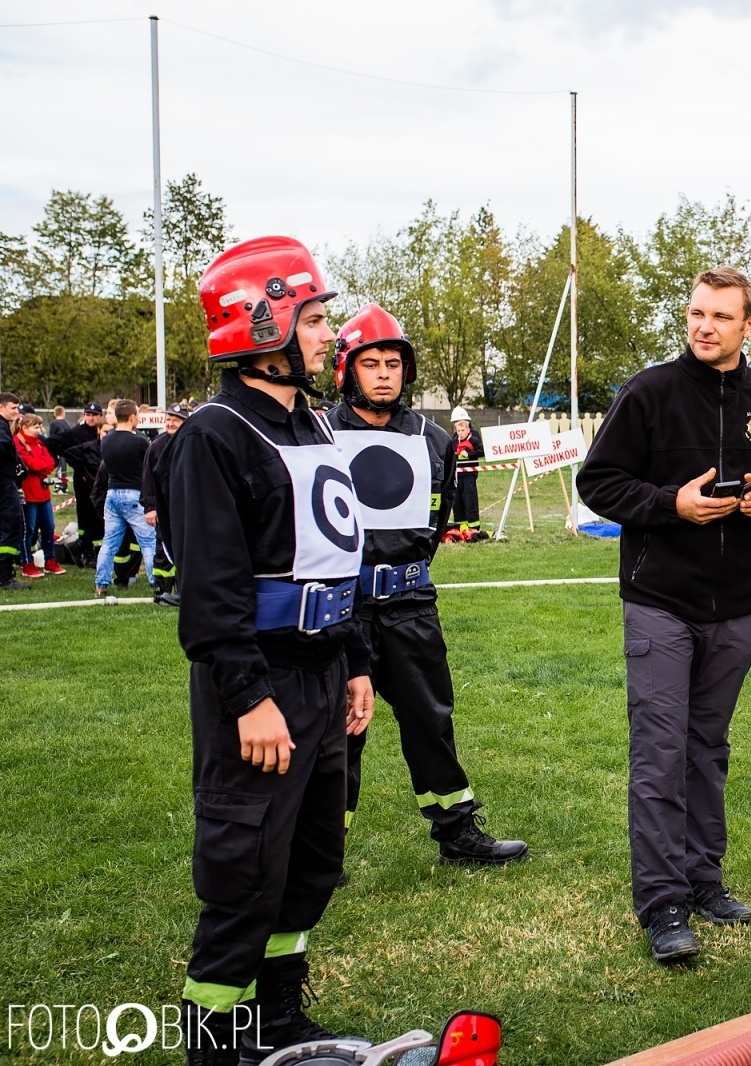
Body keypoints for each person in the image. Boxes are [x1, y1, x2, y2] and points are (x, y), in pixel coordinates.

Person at [155, 235, 374, 1065]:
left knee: (311, 865)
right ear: (264, 324)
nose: (329, 335)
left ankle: (279, 1022)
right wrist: (250, 698)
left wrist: (354, 662)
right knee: (244, 876)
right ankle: (219, 1045)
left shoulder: (311, 421)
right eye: (315, 319)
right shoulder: (212, 436)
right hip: (262, 683)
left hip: (323, 675)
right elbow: (211, 592)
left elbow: (333, 553)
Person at [576, 266, 751, 963]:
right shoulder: (648, 392)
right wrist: (669, 505)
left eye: (720, 316)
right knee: (660, 752)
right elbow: (598, 482)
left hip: (738, 606)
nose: (704, 326)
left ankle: (704, 880)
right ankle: (663, 903)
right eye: (696, 314)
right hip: (659, 602)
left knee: (708, 748)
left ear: (749, 325)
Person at [328, 303, 527, 866]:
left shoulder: (435, 440)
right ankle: (322, 849)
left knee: (430, 719)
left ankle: (457, 833)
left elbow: (434, 525)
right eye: (372, 363)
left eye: (394, 362)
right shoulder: (317, 434)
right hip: (343, 608)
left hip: (412, 604)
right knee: (338, 730)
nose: (385, 373)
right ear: (349, 371)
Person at [93, 400, 161, 597]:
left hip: (112, 494)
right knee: (148, 542)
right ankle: (156, 582)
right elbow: (148, 467)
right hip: (134, 495)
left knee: (109, 543)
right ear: (132, 417)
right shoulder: (139, 441)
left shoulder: (106, 440)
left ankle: (101, 584)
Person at [142, 404, 190, 606]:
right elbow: (147, 479)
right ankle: (162, 590)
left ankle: (183, 590)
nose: (170, 423)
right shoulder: (157, 445)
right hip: (164, 507)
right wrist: (150, 507)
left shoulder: (191, 442)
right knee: (163, 549)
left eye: (175, 420)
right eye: (168, 419)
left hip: (187, 506)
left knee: (185, 549)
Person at [47, 401, 106, 552]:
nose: (91, 418)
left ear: (100, 416)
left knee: (99, 515)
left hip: (101, 480)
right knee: (85, 513)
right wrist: (80, 466)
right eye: (88, 415)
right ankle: (84, 546)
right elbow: (52, 443)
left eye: (94, 415)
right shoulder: (76, 432)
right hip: (83, 480)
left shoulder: (103, 431)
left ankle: (99, 547)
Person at [13, 413, 65, 577]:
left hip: (43, 493)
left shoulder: (39, 442)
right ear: (24, 428)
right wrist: (40, 467)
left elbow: (50, 462)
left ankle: (50, 560)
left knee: (49, 527)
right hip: (28, 494)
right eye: (35, 427)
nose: (38, 430)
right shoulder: (17, 443)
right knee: (28, 530)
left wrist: (41, 467)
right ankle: (27, 564)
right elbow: (30, 464)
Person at [0, 392, 27, 590]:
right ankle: (4, 577)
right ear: (1, 408)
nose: (17, 413)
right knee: (11, 525)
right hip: (3, 483)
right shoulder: (1, 427)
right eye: (13, 408)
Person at [449, 407, 484, 539]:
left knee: (470, 499)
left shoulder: (473, 435)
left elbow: (480, 451)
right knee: (457, 500)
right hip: (457, 474)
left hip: (469, 473)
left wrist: (468, 454)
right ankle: (460, 527)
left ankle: (473, 528)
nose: (459, 430)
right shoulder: (455, 437)